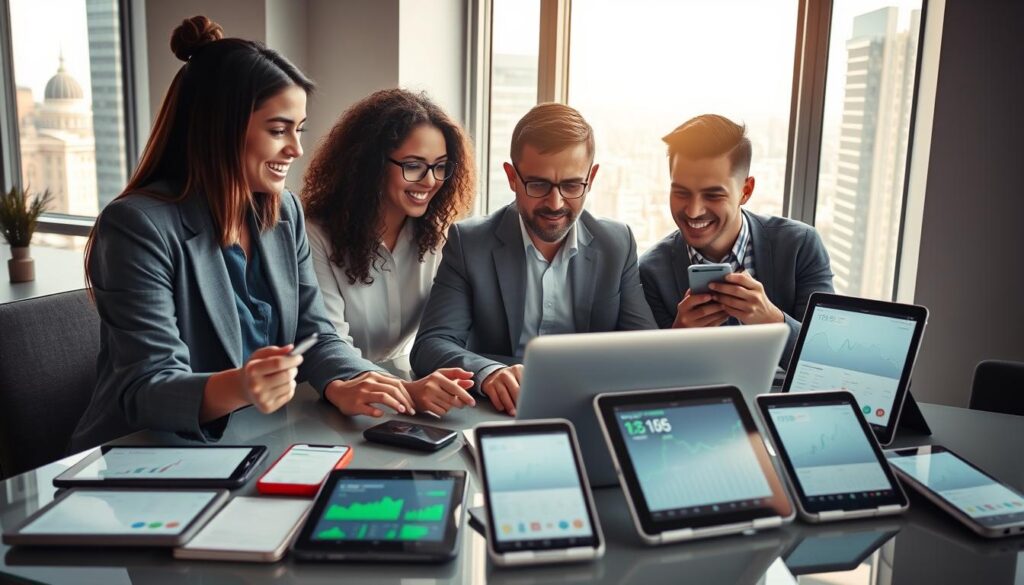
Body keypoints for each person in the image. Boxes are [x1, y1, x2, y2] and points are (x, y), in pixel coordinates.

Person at [70, 16, 416, 453]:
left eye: (299, 129)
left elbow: (317, 332)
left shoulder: (283, 211)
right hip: (145, 455)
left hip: (254, 440)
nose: (296, 148)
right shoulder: (137, 227)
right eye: (278, 130)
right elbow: (147, 389)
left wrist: (353, 381)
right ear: (222, 129)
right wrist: (241, 385)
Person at [411, 103, 657, 416]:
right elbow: (430, 346)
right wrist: (490, 373)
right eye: (538, 184)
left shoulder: (617, 243)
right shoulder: (470, 243)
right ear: (512, 177)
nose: (555, 203)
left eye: (571, 185)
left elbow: (645, 350)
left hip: (589, 408)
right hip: (500, 411)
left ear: (591, 178)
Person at [302, 89, 478, 417]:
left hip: (397, 401)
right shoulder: (315, 235)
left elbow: (450, 330)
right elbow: (328, 343)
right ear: (371, 164)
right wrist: (407, 391)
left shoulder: (438, 236)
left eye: (440, 167)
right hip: (323, 402)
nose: (430, 181)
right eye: (413, 166)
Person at [639, 114, 833, 366]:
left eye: (713, 195)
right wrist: (678, 338)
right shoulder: (651, 271)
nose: (694, 210)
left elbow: (826, 360)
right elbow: (653, 378)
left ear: (746, 191)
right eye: (681, 192)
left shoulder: (800, 246)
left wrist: (774, 321)